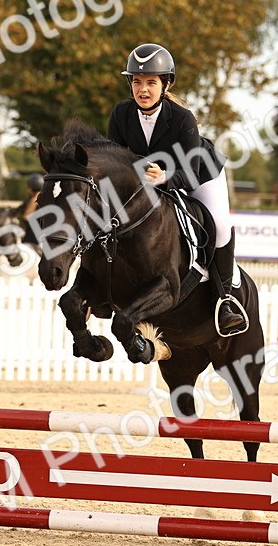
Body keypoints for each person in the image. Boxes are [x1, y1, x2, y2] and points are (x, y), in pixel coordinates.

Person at [106, 42, 248, 336]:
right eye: (137, 82)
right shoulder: (120, 114)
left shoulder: (183, 118)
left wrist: (166, 178)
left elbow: (190, 173)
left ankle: (224, 300)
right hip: (148, 181)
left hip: (198, 175)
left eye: (150, 82)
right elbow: (115, 162)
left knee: (220, 225)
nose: (143, 89)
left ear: (165, 84)